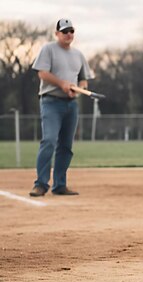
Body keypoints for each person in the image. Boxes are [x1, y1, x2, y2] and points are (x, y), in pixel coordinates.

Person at [29, 18, 93, 197]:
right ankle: (40, 184)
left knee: (66, 146)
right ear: (57, 33)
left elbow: (83, 79)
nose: (69, 34)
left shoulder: (78, 55)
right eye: (65, 31)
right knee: (49, 140)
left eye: (71, 31)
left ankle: (60, 185)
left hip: (71, 105)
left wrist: (80, 89)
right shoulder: (48, 49)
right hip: (51, 102)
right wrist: (62, 84)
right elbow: (42, 73)